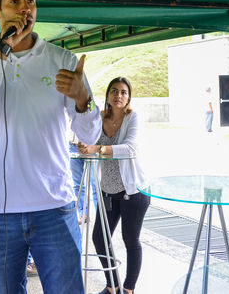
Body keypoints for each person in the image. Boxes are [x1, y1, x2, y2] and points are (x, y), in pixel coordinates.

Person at [0, 0, 101, 293]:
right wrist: (0, 53)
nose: (26, 10)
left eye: (31, 2)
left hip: (55, 206)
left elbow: (90, 137)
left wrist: (82, 99)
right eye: (15, 2)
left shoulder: (61, 59)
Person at [77, 77, 148, 294]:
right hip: (107, 191)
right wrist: (83, 146)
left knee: (130, 240)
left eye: (124, 92)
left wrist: (98, 148)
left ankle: (128, 289)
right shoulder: (99, 119)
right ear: (108, 95)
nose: (119, 96)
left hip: (133, 191)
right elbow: (86, 140)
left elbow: (130, 149)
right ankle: (112, 286)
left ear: (129, 97)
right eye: (114, 91)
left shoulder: (132, 117)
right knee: (99, 239)